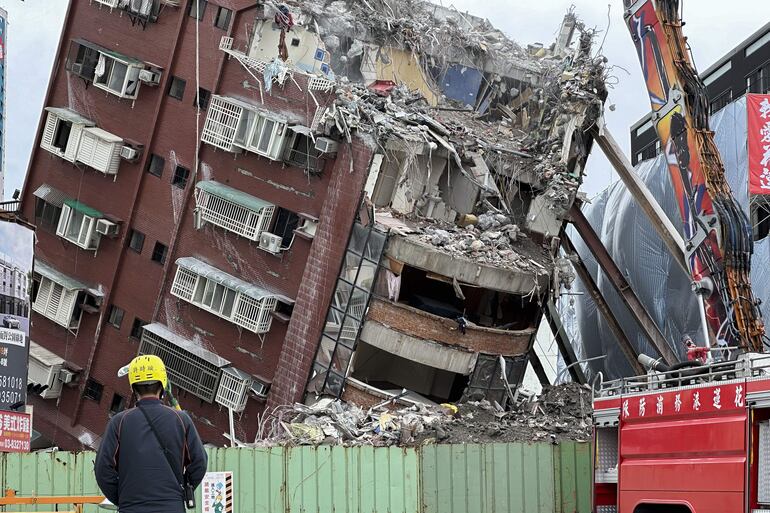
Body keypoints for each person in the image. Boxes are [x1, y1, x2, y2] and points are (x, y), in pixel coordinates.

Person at [95, 355, 207, 513]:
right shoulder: (181, 419)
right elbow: (199, 463)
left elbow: (103, 470)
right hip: (171, 507)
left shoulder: (119, 422)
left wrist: (123, 498)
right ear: (162, 385)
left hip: (131, 507)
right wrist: (180, 490)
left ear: (133, 388)